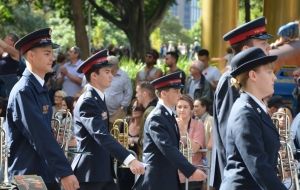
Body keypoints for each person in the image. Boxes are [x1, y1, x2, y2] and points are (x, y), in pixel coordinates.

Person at [5, 28, 79, 190]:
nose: (52, 58)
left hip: (40, 172)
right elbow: (39, 135)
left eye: (52, 53)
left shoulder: (38, 87)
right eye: (47, 53)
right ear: (31, 56)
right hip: (27, 175)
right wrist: (64, 172)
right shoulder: (24, 91)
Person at [210, 17, 272, 189]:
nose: (268, 47)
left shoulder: (250, 78)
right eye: (262, 43)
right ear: (245, 49)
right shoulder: (231, 81)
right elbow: (230, 138)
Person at [71, 49, 145, 190]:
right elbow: (101, 135)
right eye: (107, 72)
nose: (111, 76)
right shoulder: (88, 101)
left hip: (100, 172)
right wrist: (130, 159)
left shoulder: (97, 97)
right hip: (90, 173)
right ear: (94, 76)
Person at [219, 47, 286, 190]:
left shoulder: (253, 108)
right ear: (253, 76)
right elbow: (258, 164)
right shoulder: (245, 112)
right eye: (269, 72)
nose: (274, 77)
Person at [133, 72, 206, 190]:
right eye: (176, 91)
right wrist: (190, 170)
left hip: (165, 177)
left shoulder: (167, 114)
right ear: (163, 93)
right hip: (157, 180)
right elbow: (167, 147)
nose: (179, 94)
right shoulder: (157, 117)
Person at [176, 94, 206, 190]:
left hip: (193, 174)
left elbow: (194, 148)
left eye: (185, 107)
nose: (182, 110)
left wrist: (184, 132)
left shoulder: (198, 125)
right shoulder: (171, 124)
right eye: (179, 107)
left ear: (191, 109)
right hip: (174, 175)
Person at [104, 55, 133, 125]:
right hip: (104, 111)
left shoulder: (124, 76)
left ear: (114, 65)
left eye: (108, 64)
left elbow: (129, 93)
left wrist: (122, 108)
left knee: (115, 132)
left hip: (118, 111)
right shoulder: (105, 74)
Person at [135, 81, 158, 160]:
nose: (136, 95)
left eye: (137, 92)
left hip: (148, 159)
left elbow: (147, 139)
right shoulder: (152, 109)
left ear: (144, 94)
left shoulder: (150, 111)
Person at [0, 33, 20, 99]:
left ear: (10, 40)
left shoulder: (16, 52)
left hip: (10, 83)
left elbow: (6, 47)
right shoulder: (3, 52)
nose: (3, 40)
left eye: (5, 38)